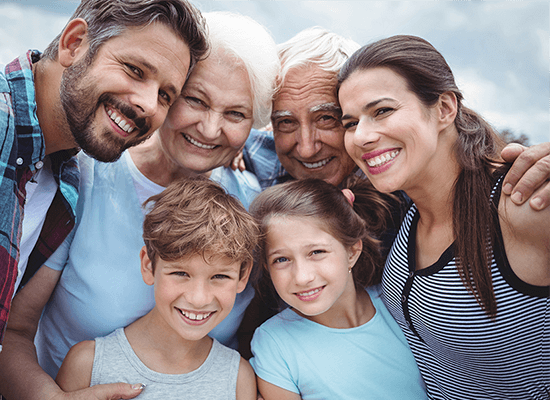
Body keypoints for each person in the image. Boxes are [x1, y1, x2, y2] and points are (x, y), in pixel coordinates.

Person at [0, 9, 277, 400]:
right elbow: (15, 332)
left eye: (236, 114)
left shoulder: (253, 206)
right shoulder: (81, 175)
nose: (211, 128)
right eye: (195, 100)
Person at [338, 34, 549, 399]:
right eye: (350, 123)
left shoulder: (519, 204)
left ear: (445, 108)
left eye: (382, 111)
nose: (362, 136)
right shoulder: (406, 210)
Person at [0, 0, 207, 355]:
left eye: (165, 95)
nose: (148, 105)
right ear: (74, 44)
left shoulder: (66, 173)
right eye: (135, 70)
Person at [55, 176, 259, 399]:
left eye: (219, 276)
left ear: (243, 275)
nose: (198, 299)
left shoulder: (238, 378)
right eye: (181, 273)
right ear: (148, 265)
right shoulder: (87, 365)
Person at [248, 178, 427, 399]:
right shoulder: (273, 343)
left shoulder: (398, 306)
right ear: (267, 267)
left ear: (352, 252)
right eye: (282, 259)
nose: (302, 277)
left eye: (316, 252)